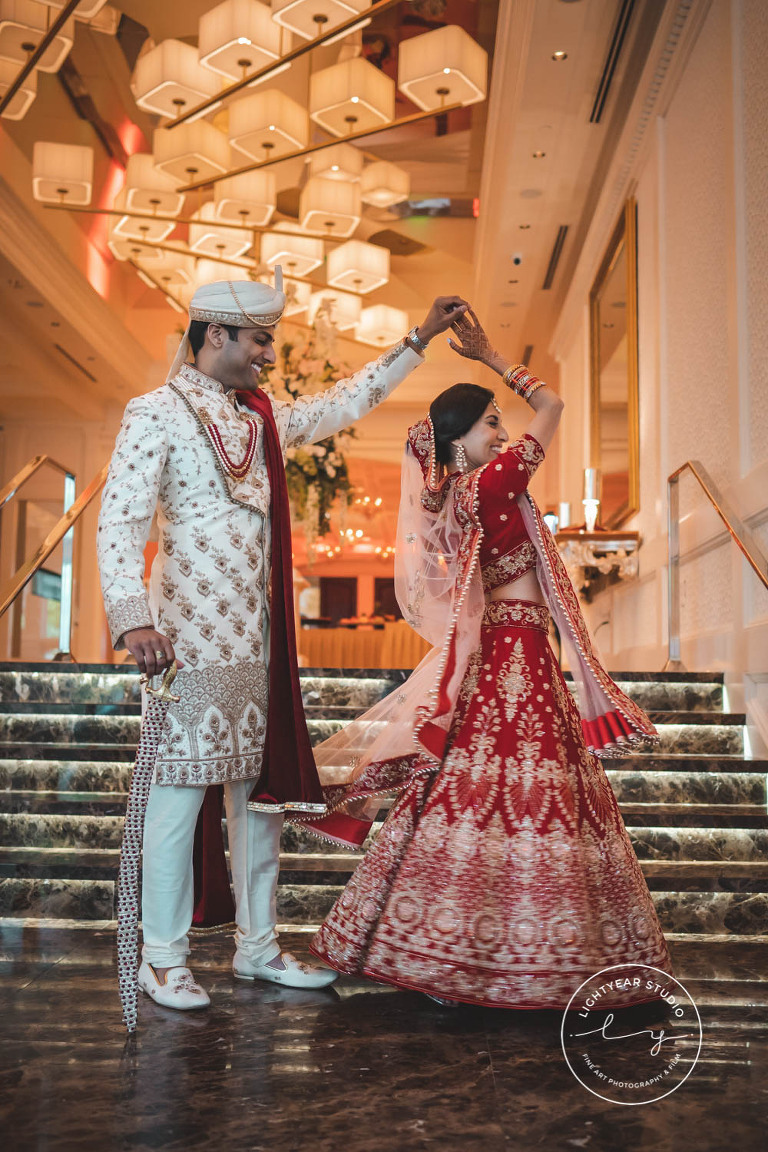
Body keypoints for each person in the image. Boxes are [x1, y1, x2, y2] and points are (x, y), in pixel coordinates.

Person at [97, 274, 468, 1011]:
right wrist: (133, 617)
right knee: (177, 801)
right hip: (187, 648)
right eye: (260, 340)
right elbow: (119, 520)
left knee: (259, 803)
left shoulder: (260, 418)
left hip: (260, 646)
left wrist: (418, 340)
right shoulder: (155, 411)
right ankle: (162, 960)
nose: (269, 355)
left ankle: (258, 949)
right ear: (215, 335)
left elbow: (342, 403)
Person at [291, 310, 674, 1011]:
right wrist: (494, 356)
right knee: (533, 801)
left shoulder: (456, 494)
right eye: (491, 422)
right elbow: (553, 404)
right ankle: (523, 960)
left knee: (470, 798)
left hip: (503, 651)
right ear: (459, 438)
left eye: (500, 422)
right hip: (517, 654)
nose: (502, 432)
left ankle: (446, 954)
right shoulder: (493, 483)